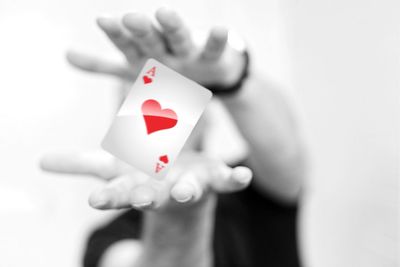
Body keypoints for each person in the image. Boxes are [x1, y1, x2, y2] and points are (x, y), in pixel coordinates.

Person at [40, 7, 306, 267]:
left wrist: (232, 79)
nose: (159, 100)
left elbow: (286, 150)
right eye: (141, 94)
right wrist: (180, 208)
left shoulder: (245, 184)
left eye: (174, 90)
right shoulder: (109, 240)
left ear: (207, 121)